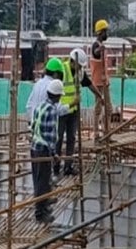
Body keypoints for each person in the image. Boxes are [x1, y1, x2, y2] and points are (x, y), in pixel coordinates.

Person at [55, 49, 95, 177]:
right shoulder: (63, 70)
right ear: (72, 62)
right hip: (62, 110)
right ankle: (55, 166)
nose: (80, 68)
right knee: (59, 138)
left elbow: (88, 84)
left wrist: (99, 96)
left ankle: (68, 166)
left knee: (71, 138)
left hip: (73, 111)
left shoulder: (80, 72)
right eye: (79, 65)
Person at [30, 79, 64, 224]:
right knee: (43, 182)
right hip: (43, 150)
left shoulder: (40, 106)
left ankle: (43, 205)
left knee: (38, 180)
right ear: (57, 96)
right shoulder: (52, 110)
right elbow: (50, 135)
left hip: (34, 148)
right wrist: (54, 153)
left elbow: (33, 127)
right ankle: (40, 213)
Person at [90, 19, 112, 139]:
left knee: (109, 108)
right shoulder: (96, 45)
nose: (106, 34)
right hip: (98, 82)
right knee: (98, 107)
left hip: (105, 82)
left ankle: (107, 131)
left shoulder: (101, 45)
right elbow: (96, 52)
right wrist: (100, 50)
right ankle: (96, 132)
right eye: (105, 32)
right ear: (100, 32)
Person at [27, 58, 63, 123]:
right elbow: (58, 109)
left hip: (35, 126)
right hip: (47, 123)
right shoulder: (53, 86)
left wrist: (32, 121)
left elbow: (29, 105)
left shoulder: (37, 84)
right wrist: (72, 105)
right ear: (55, 74)